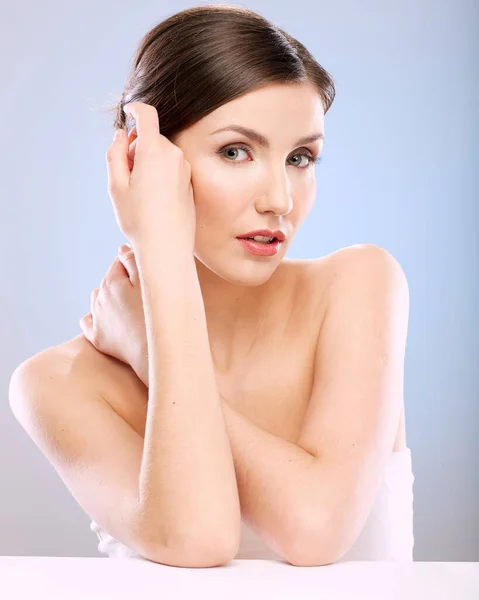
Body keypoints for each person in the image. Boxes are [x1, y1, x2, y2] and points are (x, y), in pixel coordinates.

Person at [9, 4, 414, 567]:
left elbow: (316, 530)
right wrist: (160, 253)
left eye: (301, 157)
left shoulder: (357, 285)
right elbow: (198, 539)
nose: (280, 199)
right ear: (143, 158)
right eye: (235, 151)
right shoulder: (58, 385)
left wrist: (154, 357)